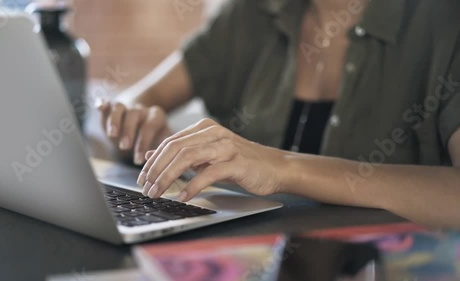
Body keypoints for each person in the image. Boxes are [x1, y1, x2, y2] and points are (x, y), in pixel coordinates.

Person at [96, 0, 460, 229]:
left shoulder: (444, 22)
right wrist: (131, 118)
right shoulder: (252, 11)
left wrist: (281, 167)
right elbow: (143, 95)